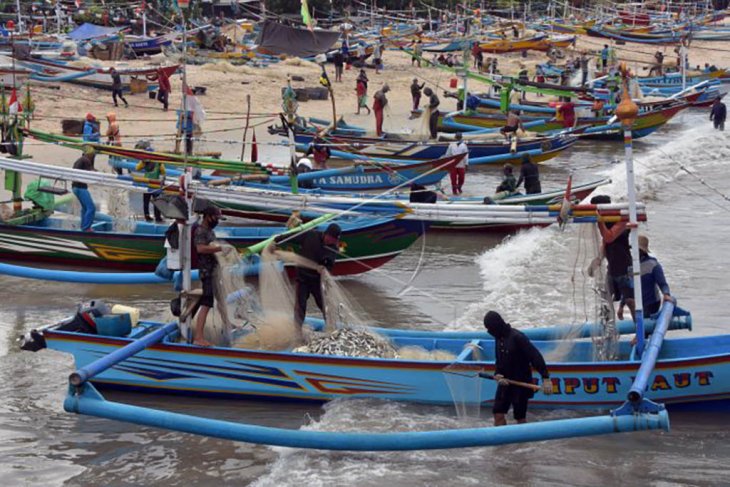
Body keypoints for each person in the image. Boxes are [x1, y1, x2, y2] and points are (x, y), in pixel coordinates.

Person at [483, 311, 552, 426]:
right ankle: (502, 442)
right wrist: (498, 374)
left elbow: (535, 356)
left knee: (520, 418)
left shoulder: (517, 337)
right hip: (505, 382)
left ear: (497, 325)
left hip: (521, 383)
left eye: (490, 328)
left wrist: (545, 378)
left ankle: (523, 443)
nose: (489, 332)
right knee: (498, 413)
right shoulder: (498, 337)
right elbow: (499, 360)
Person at [275, 224, 341, 326]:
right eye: (329, 238)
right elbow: (292, 237)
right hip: (303, 278)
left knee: (325, 306)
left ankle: (332, 327)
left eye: (333, 241)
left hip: (317, 281)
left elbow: (330, 266)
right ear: (326, 234)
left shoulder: (333, 249)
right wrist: (277, 239)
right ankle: (297, 332)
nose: (330, 242)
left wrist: (324, 269)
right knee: (300, 306)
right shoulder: (310, 235)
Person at [592, 194, 635, 321]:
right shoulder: (606, 221)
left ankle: (639, 330)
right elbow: (605, 244)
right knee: (605, 299)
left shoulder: (622, 220)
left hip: (625, 268)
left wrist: (600, 222)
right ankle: (608, 331)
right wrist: (598, 259)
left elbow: (609, 237)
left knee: (631, 301)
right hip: (612, 268)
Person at [193, 206, 228, 347]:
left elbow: (212, 248)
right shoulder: (200, 231)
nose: (217, 221)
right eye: (216, 218)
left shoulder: (210, 231)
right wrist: (220, 248)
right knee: (206, 304)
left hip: (214, 272)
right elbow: (200, 248)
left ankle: (228, 325)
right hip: (207, 273)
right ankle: (198, 337)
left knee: (221, 299)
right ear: (208, 217)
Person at [617, 235, 672, 320]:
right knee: (640, 324)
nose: (633, 252)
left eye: (637, 250)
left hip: (651, 303)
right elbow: (627, 289)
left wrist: (666, 294)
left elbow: (662, 283)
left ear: (642, 251)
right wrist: (621, 307)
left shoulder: (653, 264)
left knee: (644, 325)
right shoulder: (630, 267)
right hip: (638, 303)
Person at [72, 147, 97, 231]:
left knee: (85, 208)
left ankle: (83, 226)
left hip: (75, 187)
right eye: (93, 155)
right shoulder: (86, 160)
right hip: (80, 187)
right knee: (91, 208)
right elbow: (91, 172)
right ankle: (86, 228)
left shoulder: (80, 160)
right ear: (90, 154)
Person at [135, 156, 166, 222]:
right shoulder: (150, 162)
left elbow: (137, 168)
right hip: (151, 185)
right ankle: (155, 217)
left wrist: (143, 162)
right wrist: (143, 162)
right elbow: (137, 168)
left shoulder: (157, 162)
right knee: (153, 202)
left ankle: (152, 216)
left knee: (152, 202)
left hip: (152, 185)